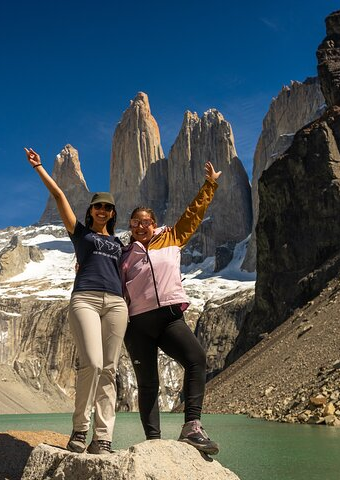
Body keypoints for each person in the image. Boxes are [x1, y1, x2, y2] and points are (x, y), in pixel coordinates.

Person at [26, 147, 127, 455]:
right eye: (97, 206)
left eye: (107, 207)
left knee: (110, 370)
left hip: (116, 304)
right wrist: (40, 168)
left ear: (112, 213)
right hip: (85, 299)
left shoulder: (120, 244)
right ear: (91, 210)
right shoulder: (80, 234)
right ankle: (80, 428)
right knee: (93, 364)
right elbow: (59, 197)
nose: (101, 210)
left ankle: (103, 437)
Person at [120, 161, 221, 455]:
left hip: (168, 319)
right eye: (136, 222)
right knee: (148, 383)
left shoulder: (172, 237)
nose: (141, 226)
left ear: (155, 223)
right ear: (131, 226)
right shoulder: (124, 254)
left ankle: (192, 427)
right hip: (137, 325)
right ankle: (153, 442)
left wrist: (209, 185)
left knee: (196, 359)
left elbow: (193, 214)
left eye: (146, 222)